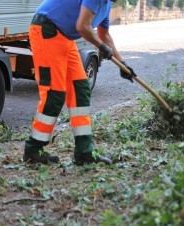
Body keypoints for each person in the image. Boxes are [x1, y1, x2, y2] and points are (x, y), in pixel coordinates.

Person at [23, 0, 136, 165]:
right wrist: (101, 46)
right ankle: (33, 149)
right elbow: (83, 26)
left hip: (65, 38)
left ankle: (84, 152)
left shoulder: (106, 5)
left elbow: (104, 35)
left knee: (80, 90)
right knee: (54, 93)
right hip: (46, 30)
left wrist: (122, 64)